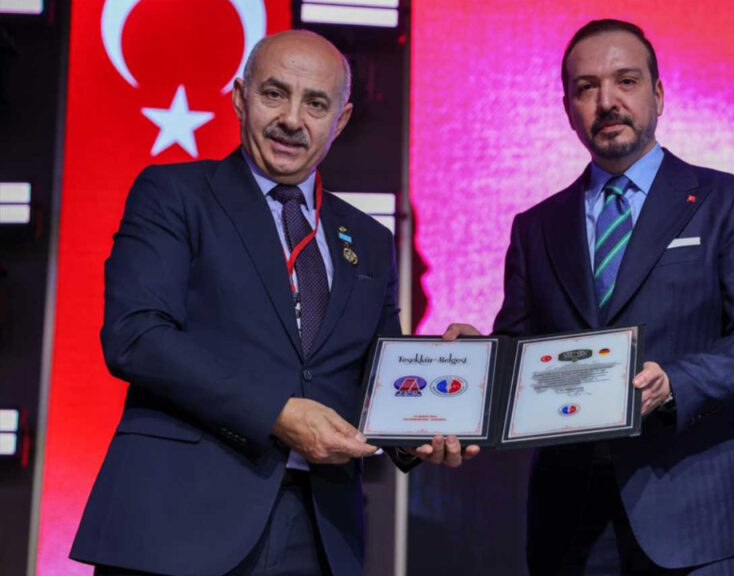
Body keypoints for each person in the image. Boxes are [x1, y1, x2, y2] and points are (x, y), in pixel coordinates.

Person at [70, 30, 474, 576]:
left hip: (318, 531)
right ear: (241, 98)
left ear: (341, 120)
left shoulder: (369, 239)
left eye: (316, 104)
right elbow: (136, 336)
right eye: (274, 94)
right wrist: (276, 414)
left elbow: (377, 379)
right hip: (177, 520)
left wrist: (437, 407)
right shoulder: (175, 193)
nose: (291, 119)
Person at [446, 19, 734, 575]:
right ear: (568, 109)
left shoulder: (729, 200)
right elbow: (523, 352)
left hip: (693, 518)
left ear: (657, 94)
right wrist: (476, 362)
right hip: (570, 527)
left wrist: (675, 383)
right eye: (586, 88)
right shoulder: (536, 226)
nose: (607, 101)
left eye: (626, 81)